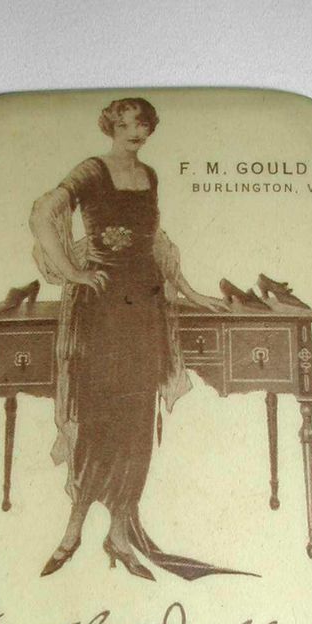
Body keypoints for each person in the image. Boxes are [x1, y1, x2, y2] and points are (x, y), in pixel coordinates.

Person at [30, 97, 224, 580]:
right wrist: (73, 271)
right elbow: (43, 213)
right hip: (101, 309)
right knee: (98, 418)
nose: (136, 131)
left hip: (144, 309)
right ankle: (73, 530)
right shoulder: (92, 171)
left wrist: (190, 292)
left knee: (136, 421)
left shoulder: (150, 176)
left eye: (143, 124)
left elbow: (153, 243)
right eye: (125, 123)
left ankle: (118, 533)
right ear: (111, 127)